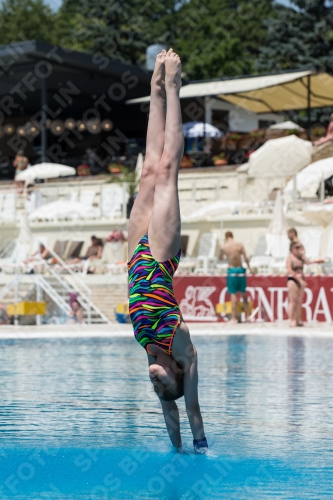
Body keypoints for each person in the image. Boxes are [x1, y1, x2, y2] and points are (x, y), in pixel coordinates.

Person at [127, 49, 207, 453]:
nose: (154, 381)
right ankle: (175, 84)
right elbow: (188, 408)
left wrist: (172, 453)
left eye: (154, 385)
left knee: (146, 170)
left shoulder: (149, 351)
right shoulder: (182, 346)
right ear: (177, 373)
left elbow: (167, 407)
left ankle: (155, 88)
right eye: (164, 384)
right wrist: (198, 448)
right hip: (159, 257)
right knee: (166, 171)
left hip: (132, 258)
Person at [220, 231, 251, 324]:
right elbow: (245, 258)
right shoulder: (239, 245)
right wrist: (250, 269)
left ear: (226, 237)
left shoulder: (224, 247)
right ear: (232, 236)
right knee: (243, 294)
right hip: (241, 270)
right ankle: (248, 316)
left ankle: (234, 318)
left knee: (233, 294)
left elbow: (220, 258)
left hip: (232, 270)